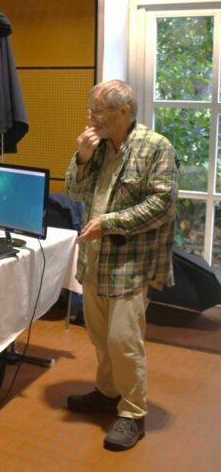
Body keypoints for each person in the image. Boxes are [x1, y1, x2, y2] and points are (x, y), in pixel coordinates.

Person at [65, 79, 178, 452]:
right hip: (95, 258)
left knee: (123, 340)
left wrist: (110, 223)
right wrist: (81, 157)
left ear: (124, 112)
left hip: (130, 262)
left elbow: (162, 205)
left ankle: (132, 413)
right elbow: (75, 191)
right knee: (99, 333)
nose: (90, 118)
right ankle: (107, 391)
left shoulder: (156, 147)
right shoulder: (96, 146)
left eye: (98, 112)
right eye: (91, 110)